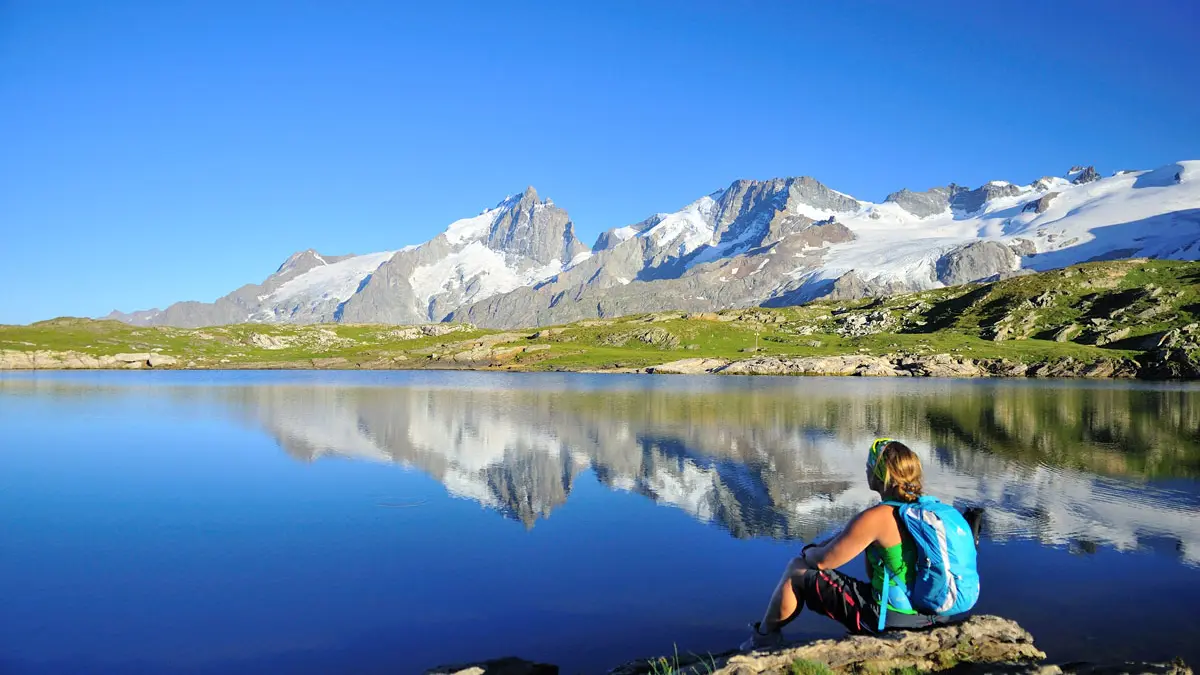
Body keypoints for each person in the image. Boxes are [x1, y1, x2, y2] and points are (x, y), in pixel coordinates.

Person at [741, 438, 976, 651]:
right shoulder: (927, 512)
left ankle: (763, 640)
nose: (865, 469)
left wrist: (808, 551)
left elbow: (823, 561)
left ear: (880, 474)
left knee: (796, 570)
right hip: (934, 613)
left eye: (869, 465)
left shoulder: (877, 517)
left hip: (889, 620)